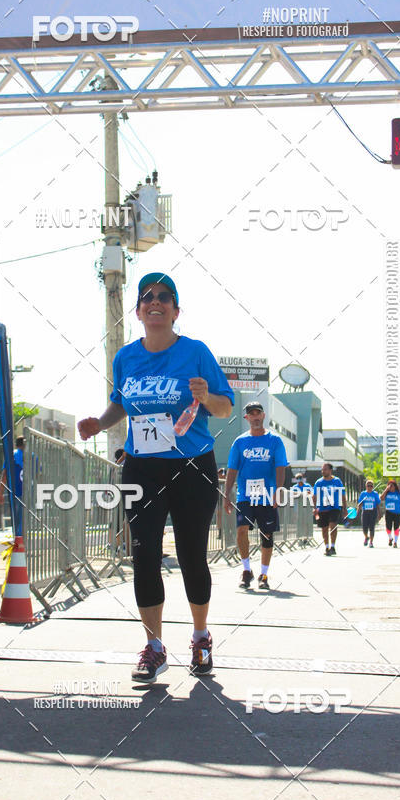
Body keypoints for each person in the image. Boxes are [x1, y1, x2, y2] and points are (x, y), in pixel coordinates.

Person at [78, 273, 234, 682]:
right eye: (147, 296)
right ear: (138, 311)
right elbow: (119, 405)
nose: (156, 302)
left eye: (165, 297)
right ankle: (154, 647)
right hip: (143, 466)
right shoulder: (126, 358)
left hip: (192, 465)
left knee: (191, 554)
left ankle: (200, 637)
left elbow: (225, 409)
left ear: (176, 310)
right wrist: (99, 423)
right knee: (144, 554)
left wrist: (206, 396)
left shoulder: (196, 352)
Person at [224, 402, 287, 590]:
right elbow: (232, 469)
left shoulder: (275, 440)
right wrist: (226, 495)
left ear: (263, 415)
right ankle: (246, 570)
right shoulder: (240, 442)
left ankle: (264, 574)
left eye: (258, 413)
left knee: (266, 534)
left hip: (267, 495)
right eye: (251, 414)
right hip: (245, 495)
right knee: (241, 530)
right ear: (247, 418)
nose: (255, 417)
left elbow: (280, 467)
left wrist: (278, 491)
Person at [311, 463, 347, 556]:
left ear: (330, 470)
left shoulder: (337, 481)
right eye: (322, 469)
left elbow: (342, 495)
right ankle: (327, 547)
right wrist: (314, 508)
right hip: (322, 508)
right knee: (324, 528)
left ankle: (333, 546)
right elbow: (314, 496)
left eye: (325, 469)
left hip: (334, 507)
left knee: (332, 525)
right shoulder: (319, 482)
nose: (323, 471)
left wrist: (345, 508)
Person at [0, 435, 24, 533]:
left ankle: (17, 536)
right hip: (28, 493)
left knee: (15, 519)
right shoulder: (32, 456)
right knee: (25, 519)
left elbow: (4, 475)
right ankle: (22, 537)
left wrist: (0, 493)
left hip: (14, 492)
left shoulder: (11, 456)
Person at [381, 480, 400, 548]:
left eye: (392, 486)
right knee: (388, 527)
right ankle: (390, 538)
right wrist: (386, 490)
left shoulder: (398, 493)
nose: (390, 487)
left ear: (395, 486)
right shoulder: (387, 493)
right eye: (389, 486)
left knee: (396, 527)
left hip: (397, 513)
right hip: (389, 512)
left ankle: (395, 542)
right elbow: (381, 498)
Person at [357, 480, 380, 547]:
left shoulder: (375, 494)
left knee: (372, 527)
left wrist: (379, 513)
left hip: (373, 511)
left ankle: (371, 542)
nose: (369, 487)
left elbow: (378, 504)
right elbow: (360, 504)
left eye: (371, 486)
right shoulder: (363, 494)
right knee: (364, 527)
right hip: (365, 511)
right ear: (366, 486)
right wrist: (357, 511)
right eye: (368, 486)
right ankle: (366, 537)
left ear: (373, 487)